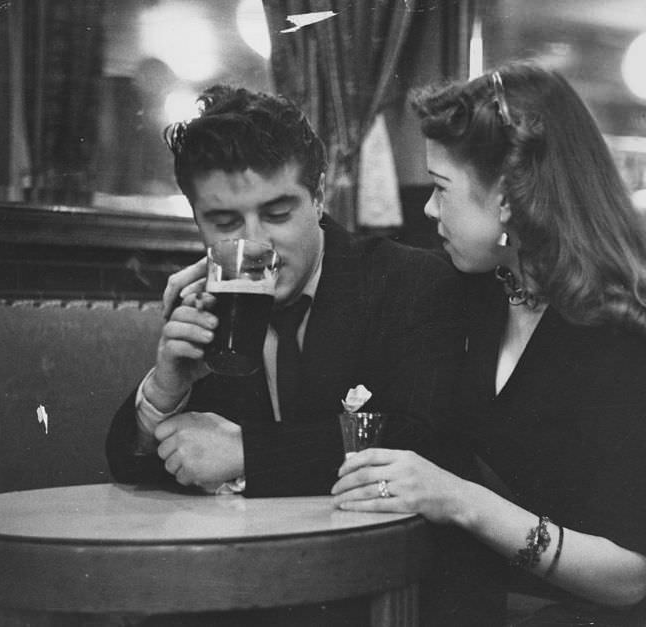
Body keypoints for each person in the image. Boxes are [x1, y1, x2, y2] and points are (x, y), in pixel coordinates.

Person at [331, 61, 646, 625]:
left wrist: (457, 499)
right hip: (582, 605)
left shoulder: (626, 333)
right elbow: (360, 276)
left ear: (507, 198)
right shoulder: (481, 290)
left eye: (440, 188)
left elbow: (629, 577)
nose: (429, 209)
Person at [105, 85, 502, 625]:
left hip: (386, 596)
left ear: (318, 199)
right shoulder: (209, 304)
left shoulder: (410, 281)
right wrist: (164, 389)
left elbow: (418, 438)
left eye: (276, 212)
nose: (255, 243)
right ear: (197, 220)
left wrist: (247, 451)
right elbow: (133, 464)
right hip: (247, 596)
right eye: (224, 223)